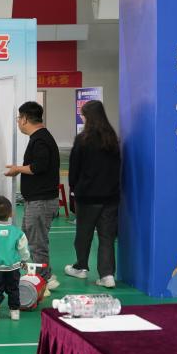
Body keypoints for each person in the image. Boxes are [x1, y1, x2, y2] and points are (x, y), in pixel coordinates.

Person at [64, 99, 121, 290]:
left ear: (88, 117)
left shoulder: (83, 139)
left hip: (87, 197)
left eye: (83, 115)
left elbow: (74, 168)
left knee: (83, 234)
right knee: (107, 237)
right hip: (110, 197)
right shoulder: (112, 139)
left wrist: (74, 188)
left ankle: (81, 267)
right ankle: (107, 275)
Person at [5, 101, 61, 291]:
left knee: (37, 243)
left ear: (25, 119)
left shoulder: (40, 139)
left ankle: (44, 279)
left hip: (41, 201)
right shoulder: (40, 138)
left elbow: (39, 166)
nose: (18, 122)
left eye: (18, 118)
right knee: (31, 238)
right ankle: (45, 274)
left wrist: (17, 169)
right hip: (38, 200)